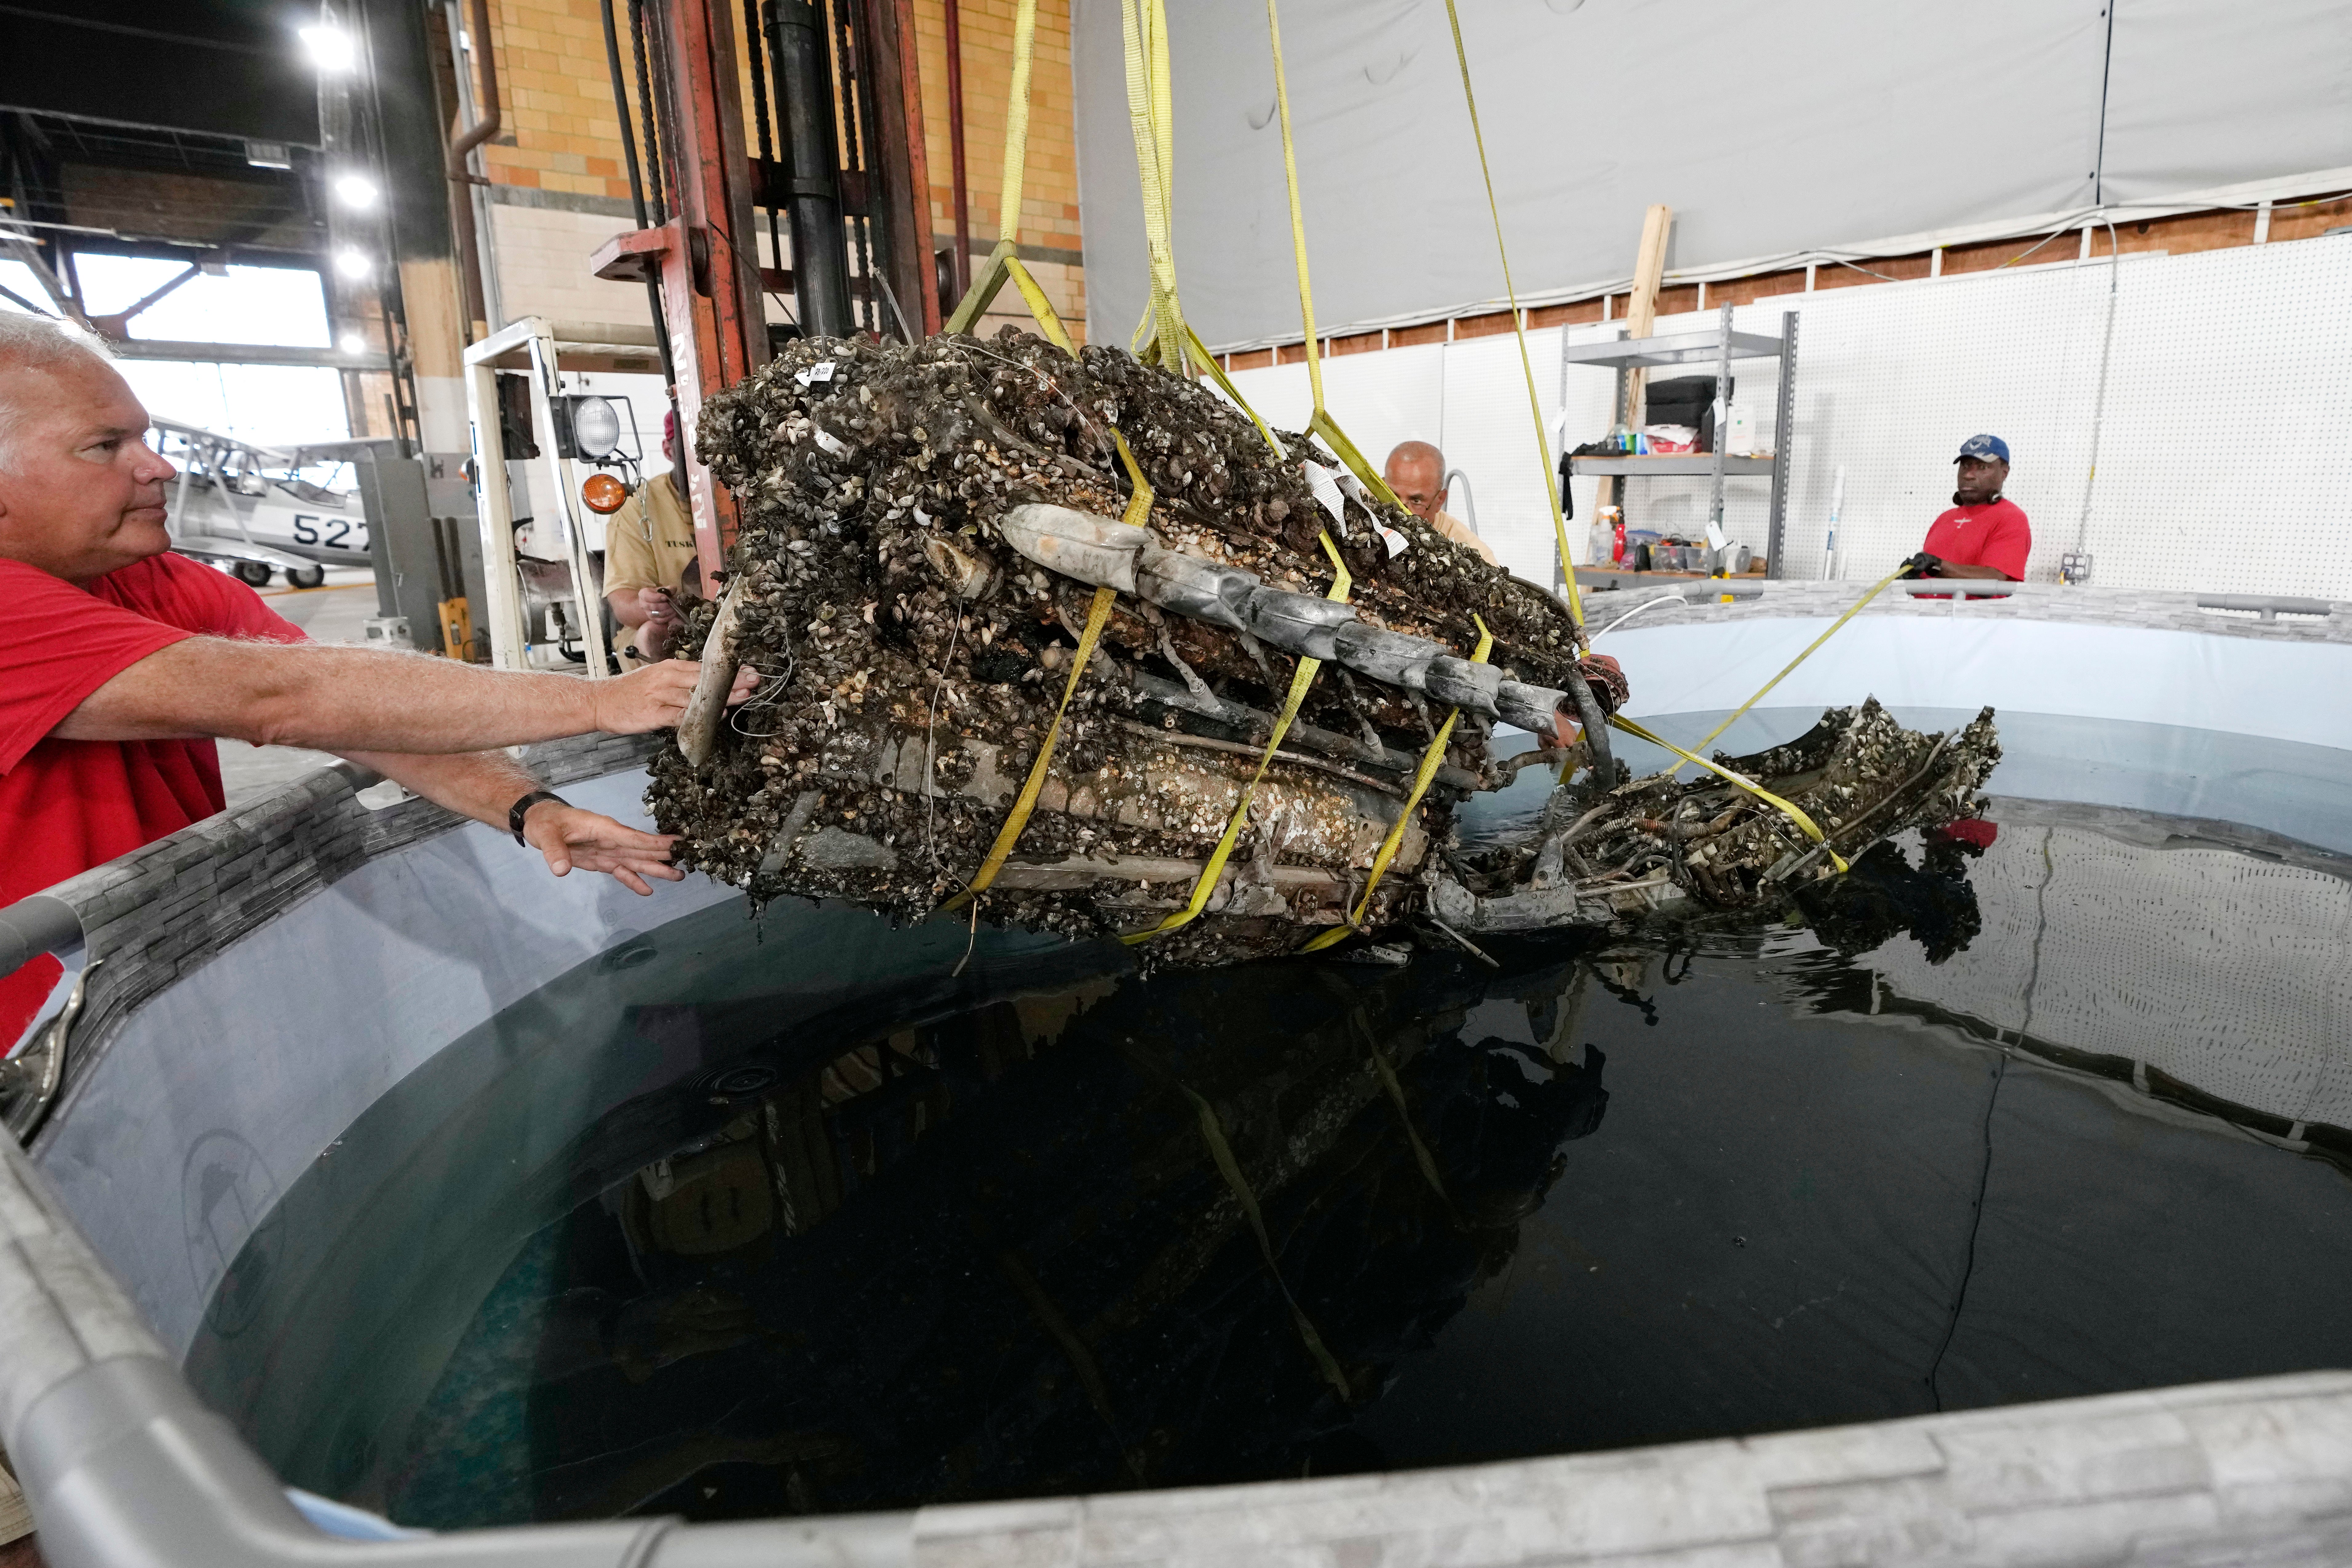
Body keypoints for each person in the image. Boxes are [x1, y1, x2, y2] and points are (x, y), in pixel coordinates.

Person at [0, 315, 756, 1044]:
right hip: (30, 1051)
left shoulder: (156, 582)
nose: (158, 466)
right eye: (104, 446)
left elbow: (360, 715)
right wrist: (597, 701)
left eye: (144, 436)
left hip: (133, 999)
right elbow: (283, 699)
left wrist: (529, 807)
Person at [603, 410, 700, 664]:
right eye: (691, 450)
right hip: (673, 626)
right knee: (655, 633)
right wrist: (651, 606)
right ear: (668, 451)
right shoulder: (638, 507)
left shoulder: (746, 496)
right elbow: (623, 604)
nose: (702, 460)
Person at [1904, 434, 2031, 581]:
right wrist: (1913, 577)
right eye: (1965, 466)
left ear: (2004, 473)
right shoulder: (1945, 518)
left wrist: (1937, 566)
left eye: (1983, 467)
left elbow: (1994, 577)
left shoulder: (2011, 518)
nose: (1969, 475)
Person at [1381, 440, 1497, 565]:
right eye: (1392, 495)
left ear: (1440, 500)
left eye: (1416, 501)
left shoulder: (1478, 556)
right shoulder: (1368, 500)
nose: (1399, 511)